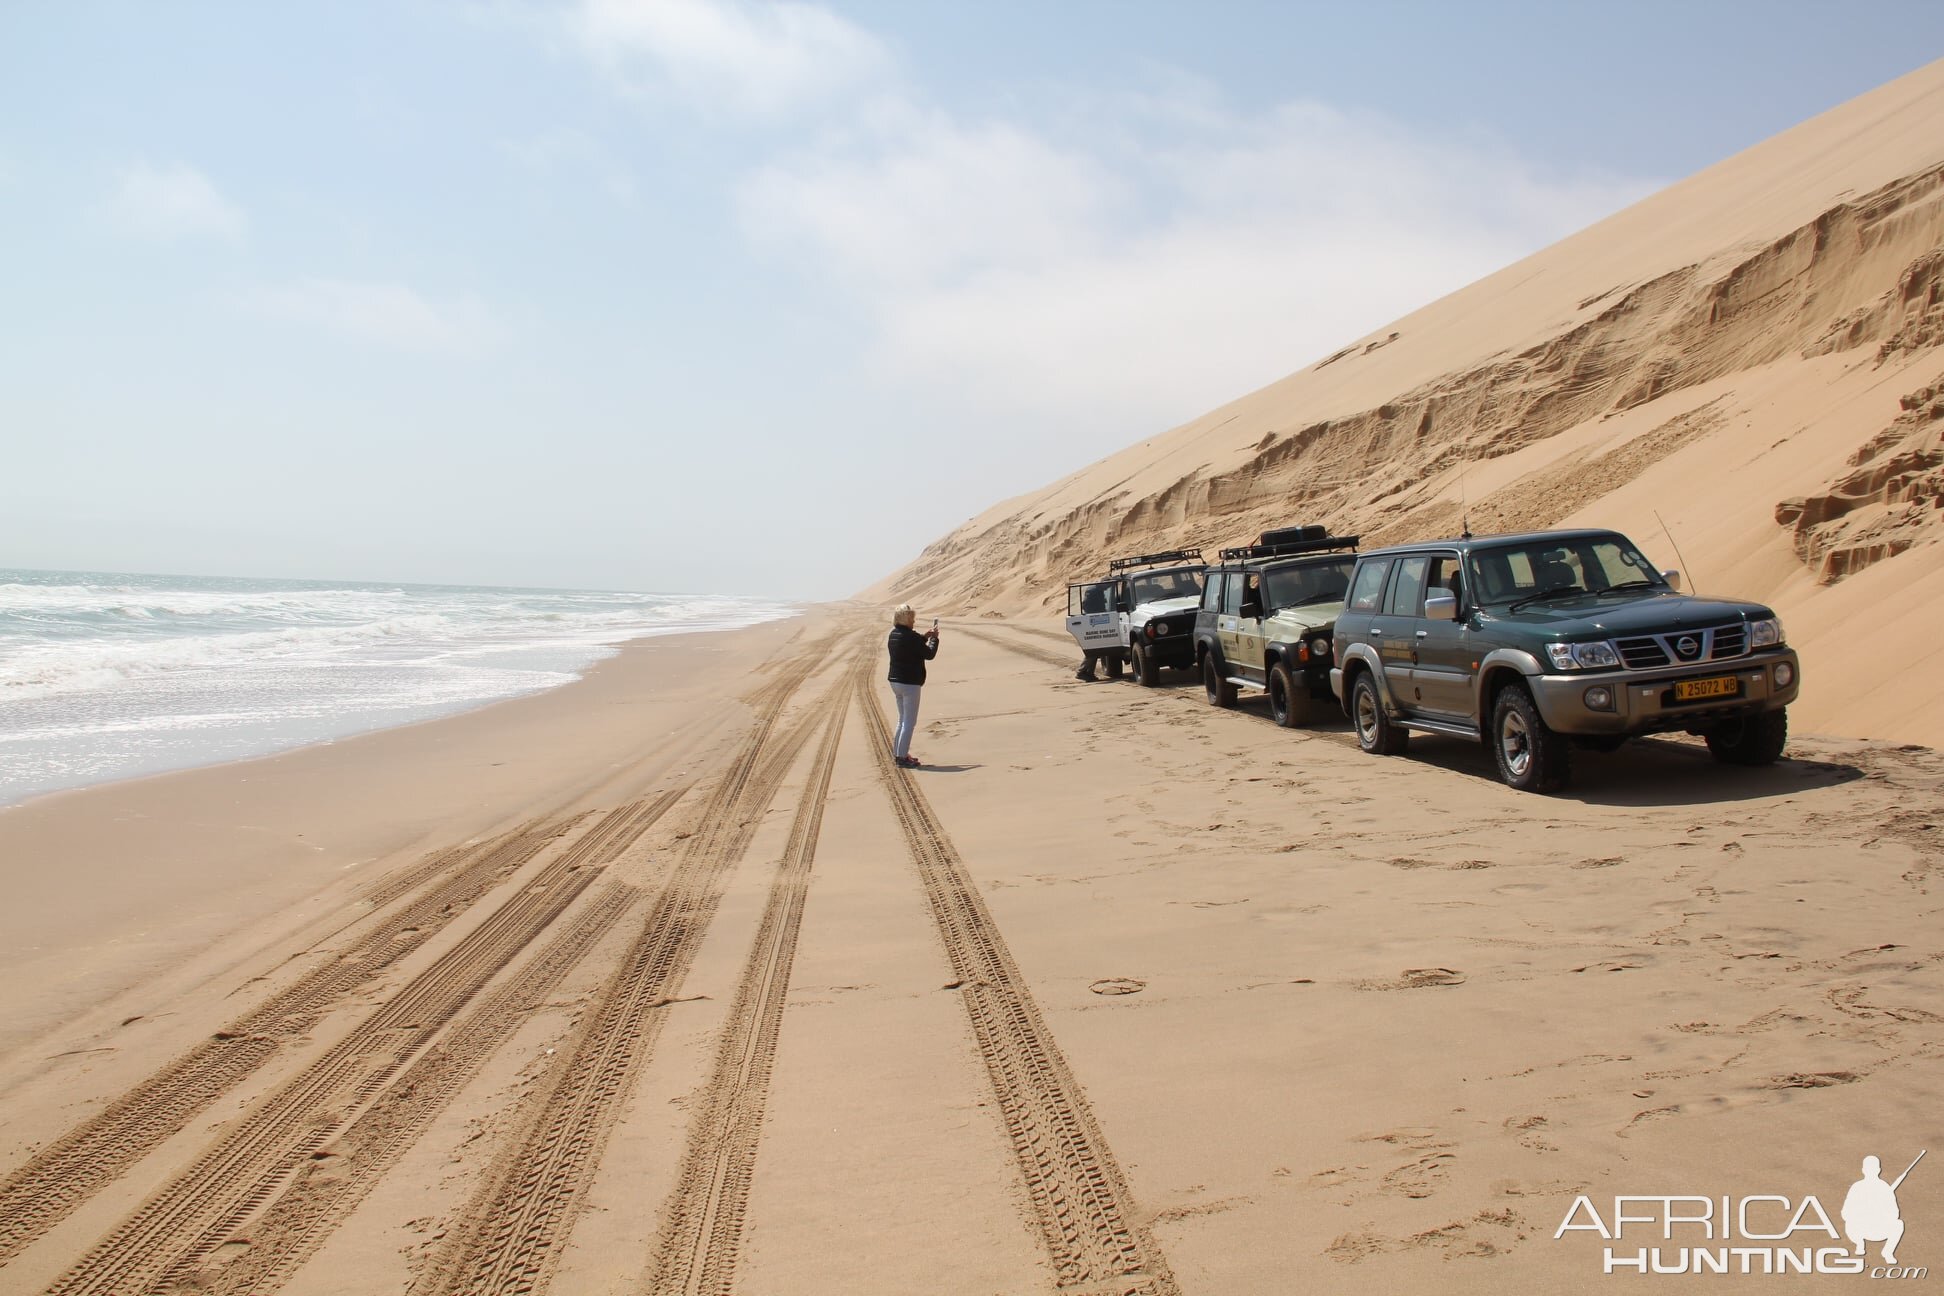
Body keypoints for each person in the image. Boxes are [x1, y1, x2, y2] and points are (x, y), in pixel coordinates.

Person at [886, 603, 939, 769]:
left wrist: (924, 637)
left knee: (902, 719)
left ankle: (898, 753)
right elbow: (929, 654)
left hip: (895, 681)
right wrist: (934, 639)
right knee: (909, 722)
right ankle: (902, 757)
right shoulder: (911, 637)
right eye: (912, 618)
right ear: (907, 619)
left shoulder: (894, 634)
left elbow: (911, 646)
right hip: (909, 683)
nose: (914, 621)